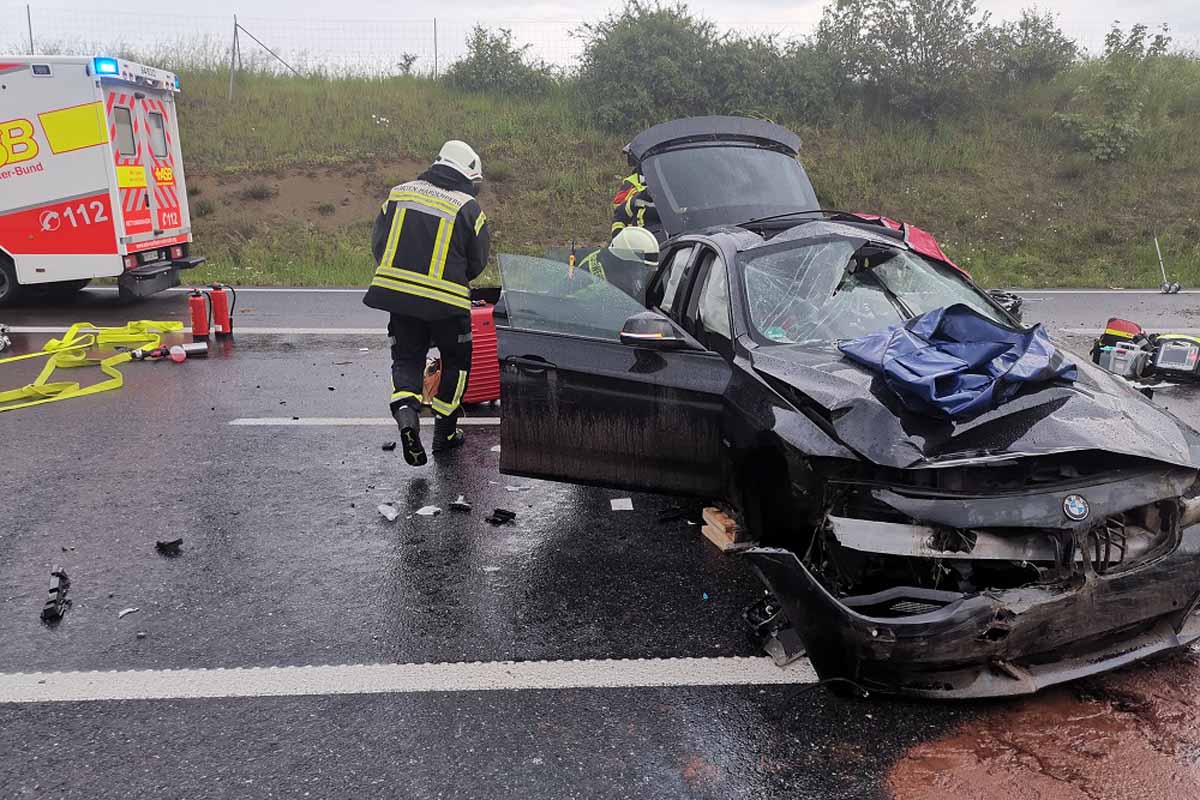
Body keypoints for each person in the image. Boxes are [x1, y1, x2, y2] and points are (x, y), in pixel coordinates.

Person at [363, 140, 490, 467]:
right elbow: (477, 263)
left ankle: (408, 417)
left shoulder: (398, 193)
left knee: (406, 359)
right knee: (455, 362)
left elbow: (379, 244)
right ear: (468, 173)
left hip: (400, 297)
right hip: (448, 304)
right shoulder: (468, 207)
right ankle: (444, 435)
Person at [574, 226, 660, 302]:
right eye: (642, 268)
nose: (643, 273)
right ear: (627, 264)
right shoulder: (607, 286)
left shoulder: (603, 257)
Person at [610, 172, 660, 240]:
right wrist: (618, 238)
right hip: (640, 241)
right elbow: (619, 215)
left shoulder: (675, 202)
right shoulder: (640, 198)